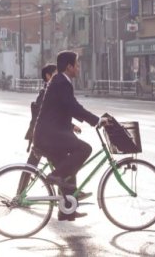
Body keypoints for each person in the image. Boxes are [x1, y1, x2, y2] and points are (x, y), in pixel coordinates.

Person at [33, 51, 108, 221]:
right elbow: (73, 107)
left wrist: (73, 126)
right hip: (50, 136)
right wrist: (96, 120)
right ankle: (55, 176)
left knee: (68, 170)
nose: (79, 68)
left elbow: (62, 110)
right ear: (69, 66)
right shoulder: (62, 82)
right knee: (84, 149)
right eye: (77, 65)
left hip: (51, 133)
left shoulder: (59, 81)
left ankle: (67, 210)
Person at [19, 64, 86, 197]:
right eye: (55, 73)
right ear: (48, 76)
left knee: (63, 168)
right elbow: (46, 116)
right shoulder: (45, 93)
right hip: (42, 136)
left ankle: (69, 200)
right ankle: (19, 195)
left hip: (48, 134)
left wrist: (71, 126)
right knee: (32, 168)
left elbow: (58, 114)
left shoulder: (53, 91)